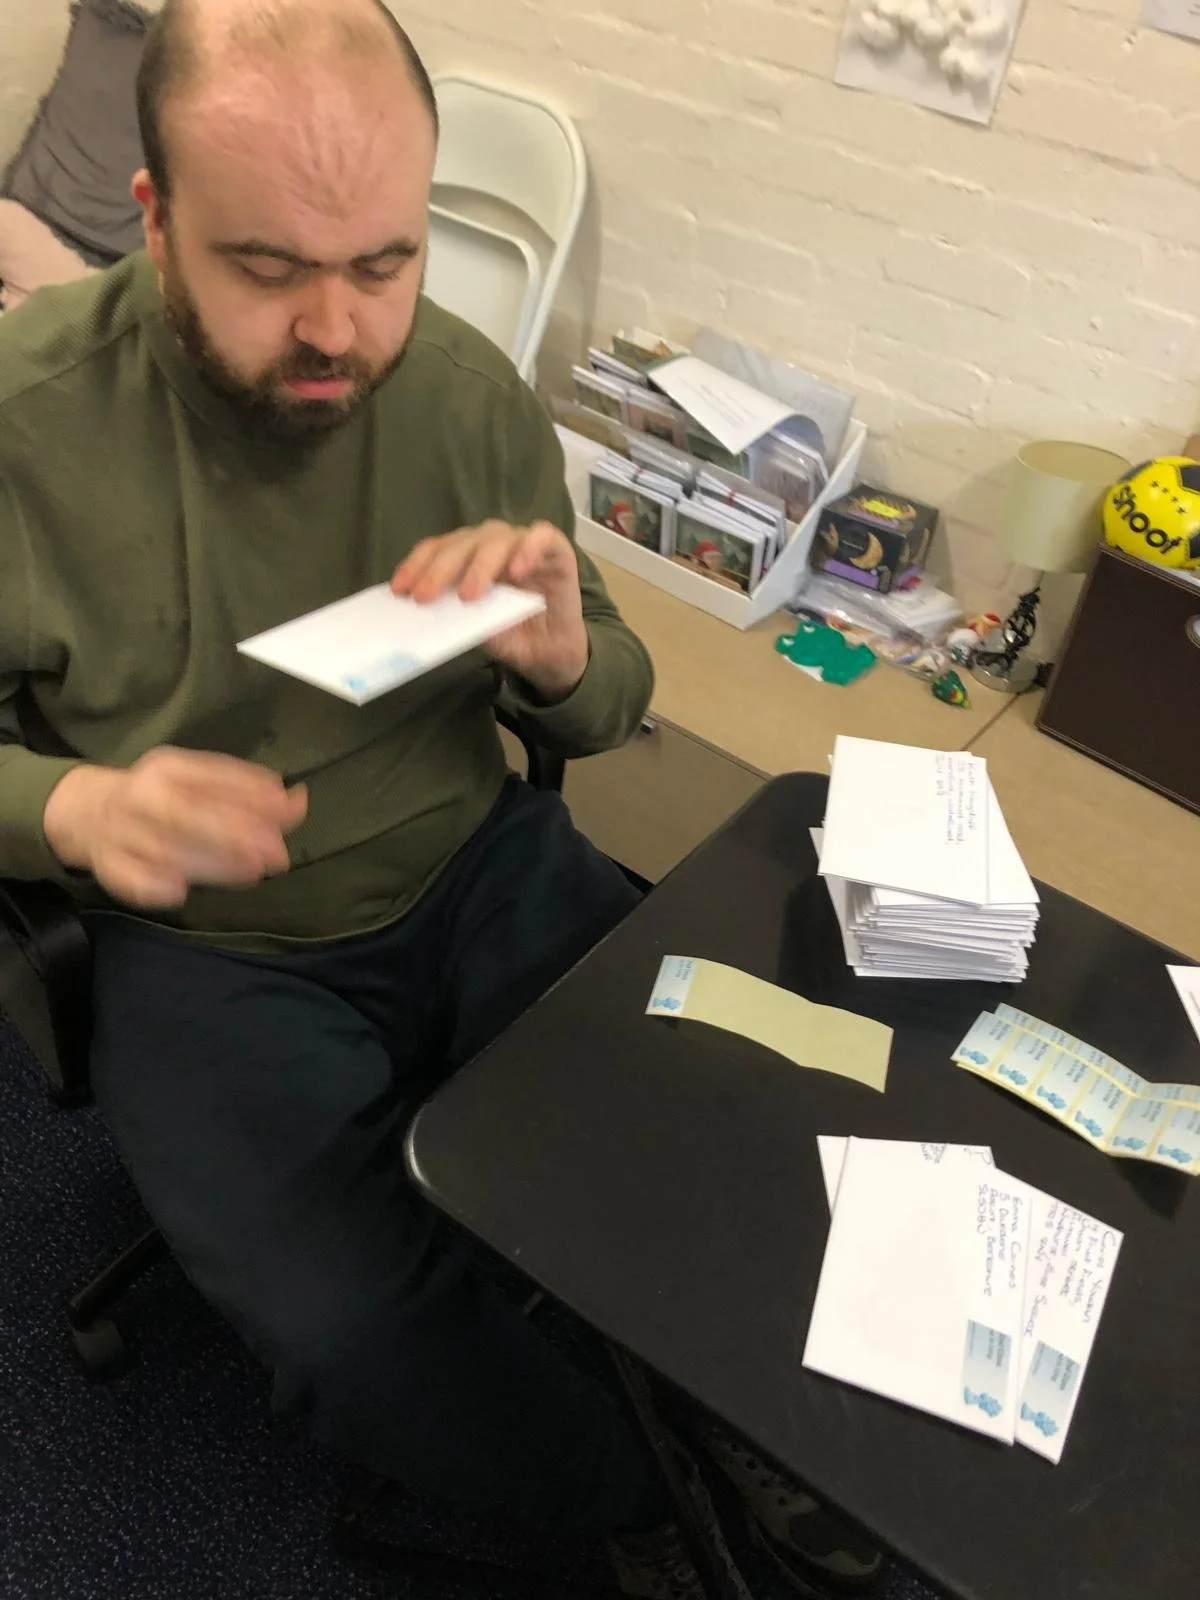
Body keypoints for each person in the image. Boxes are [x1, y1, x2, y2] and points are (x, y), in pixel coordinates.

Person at [0, 3, 880, 1595]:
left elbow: (613, 697)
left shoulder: (465, 391)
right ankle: (642, 1498)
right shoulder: (24, 428)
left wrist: (556, 662)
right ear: (153, 221)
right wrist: (67, 812)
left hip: (478, 862)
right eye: (266, 269)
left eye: (384, 263)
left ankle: (745, 1410)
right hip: (216, 945)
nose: (338, 330)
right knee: (351, 1331)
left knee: (742, 1101)